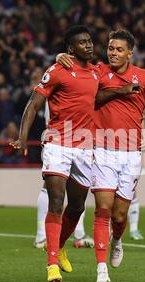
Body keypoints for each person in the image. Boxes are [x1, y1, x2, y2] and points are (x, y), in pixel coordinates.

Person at [57, 29, 145, 282]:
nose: (113, 53)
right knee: (103, 208)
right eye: (110, 48)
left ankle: (117, 240)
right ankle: (101, 269)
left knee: (119, 216)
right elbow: (75, 70)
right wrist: (62, 56)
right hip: (102, 149)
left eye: (118, 49)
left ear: (130, 52)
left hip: (130, 153)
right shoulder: (99, 72)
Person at [10, 25, 99, 282]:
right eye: (82, 43)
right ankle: (51, 265)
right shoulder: (57, 70)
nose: (89, 45)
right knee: (56, 200)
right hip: (57, 143)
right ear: (71, 49)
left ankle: (60, 247)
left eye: (90, 41)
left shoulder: (98, 72)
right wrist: (23, 137)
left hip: (85, 146)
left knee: (78, 205)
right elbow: (34, 103)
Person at [33, 102, 94, 250]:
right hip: (62, 139)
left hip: (73, 138)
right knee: (53, 189)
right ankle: (43, 236)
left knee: (76, 192)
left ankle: (74, 234)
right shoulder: (59, 82)